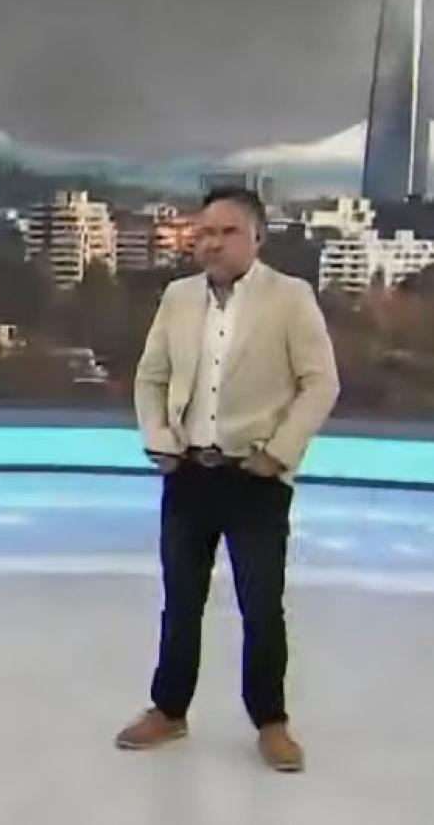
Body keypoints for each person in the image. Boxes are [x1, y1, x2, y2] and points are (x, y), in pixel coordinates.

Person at [119, 187, 339, 772]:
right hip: (189, 474)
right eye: (204, 232)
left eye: (227, 232)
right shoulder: (178, 298)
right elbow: (150, 377)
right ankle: (169, 709)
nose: (211, 243)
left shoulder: (290, 298)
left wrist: (279, 454)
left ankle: (271, 722)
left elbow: (321, 383)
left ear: (257, 237)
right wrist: (158, 440)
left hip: (255, 479)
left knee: (261, 605)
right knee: (180, 601)